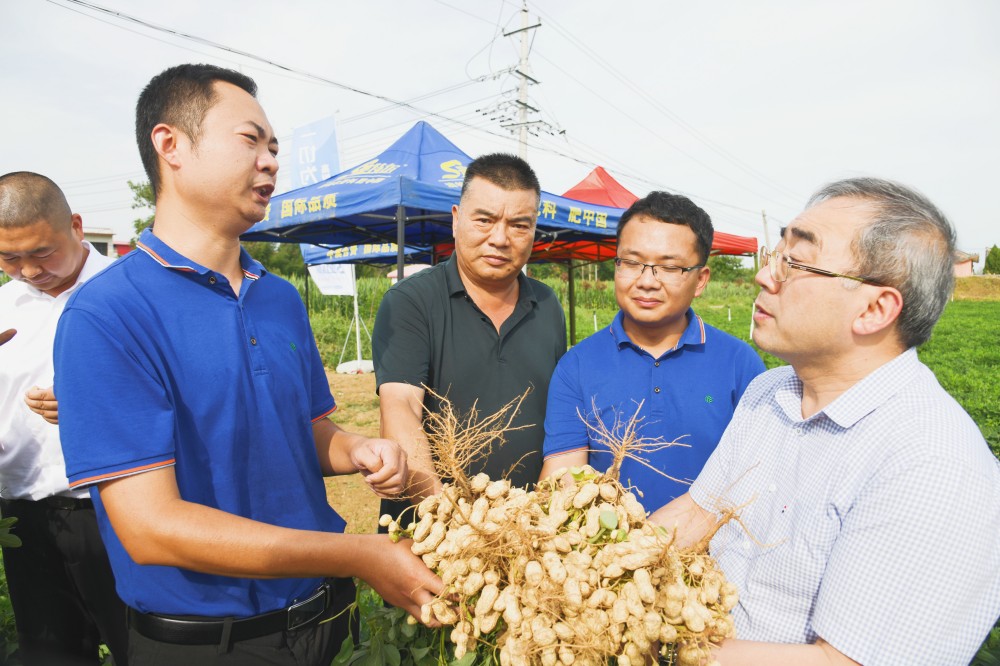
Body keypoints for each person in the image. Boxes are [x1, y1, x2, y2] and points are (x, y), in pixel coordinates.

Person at [53, 64, 441, 666]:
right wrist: (360, 555)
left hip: (327, 622)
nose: (270, 161)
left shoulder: (279, 298)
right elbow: (149, 526)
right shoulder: (108, 315)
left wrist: (358, 449)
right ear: (170, 145)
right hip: (209, 643)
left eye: (275, 148)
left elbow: (305, 432)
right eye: (250, 140)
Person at [650, 178, 1000, 665]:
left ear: (875, 309)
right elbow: (699, 512)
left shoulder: (933, 464)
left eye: (794, 263)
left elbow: (843, 662)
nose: (764, 277)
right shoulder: (768, 393)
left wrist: (644, 644)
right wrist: (586, 559)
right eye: (776, 256)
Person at [538, 192, 765, 511]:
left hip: (713, 554)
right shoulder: (577, 366)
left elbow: (759, 476)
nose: (646, 281)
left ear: (700, 280)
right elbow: (563, 476)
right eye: (631, 263)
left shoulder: (740, 365)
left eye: (669, 268)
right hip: (611, 553)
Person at [373, 153, 566, 520]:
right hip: (433, 527)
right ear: (456, 220)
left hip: (526, 529)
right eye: (485, 220)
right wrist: (449, 518)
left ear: (534, 231)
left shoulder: (547, 304)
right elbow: (400, 408)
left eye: (519, 225)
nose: (500, 238)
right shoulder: (412, 302)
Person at [0, 171, 128, 666]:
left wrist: (93, 404)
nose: (29, 271)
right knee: (49, 652)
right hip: (25, 512)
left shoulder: (130, 291)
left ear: (76, 226)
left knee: (137, 643)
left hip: (115, 508)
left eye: (43, 252)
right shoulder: (4, 305)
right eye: (10, 258)